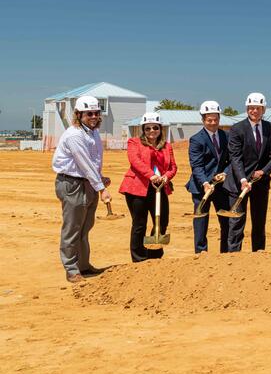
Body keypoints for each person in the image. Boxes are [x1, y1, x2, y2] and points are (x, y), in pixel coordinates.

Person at [51, 95, 111, 282]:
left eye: (96, 113)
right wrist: (101, 188)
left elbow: (93, 162)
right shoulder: (74, 134)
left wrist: (99, 179)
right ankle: (71, 269)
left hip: (87, 183)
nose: (93, 116)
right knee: (72, 228)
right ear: (79, 114)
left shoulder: (92, 132)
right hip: (72, 185)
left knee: (85, 228)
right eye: (89, 113)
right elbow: (84, 163)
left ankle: (83, 266)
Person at [119, 112, 178, 262]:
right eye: (148, 128)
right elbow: (135, 161)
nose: (152, 131)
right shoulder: (134, 142)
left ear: (160, 129)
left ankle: (154, 255)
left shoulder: (167, 146)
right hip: (137, 188)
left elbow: (173, 167)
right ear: (143, 129)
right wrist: (151, 175)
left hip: (160, 187)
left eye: (155, 128)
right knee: (139, 224)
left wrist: (166, 177)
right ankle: (139, 258)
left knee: (162, 222)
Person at [225, 92, 271, 252]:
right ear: (247, 109)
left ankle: (258, 254)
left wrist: (265, 171)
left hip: (260, 183)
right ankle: (234, 256)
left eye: (257, 108)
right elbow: (235, 157)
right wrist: (242, 179)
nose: (254, 111)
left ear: (263, 109)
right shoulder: (237, 129)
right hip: (238, 183)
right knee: (236, 222)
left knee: (259, 222)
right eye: (251, 108)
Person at [186, 100, 231, 253]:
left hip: (222, 186)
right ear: (203, 120)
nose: (212, 123)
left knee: (226, 220)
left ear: (219, 118)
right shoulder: (196, 139)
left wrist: (225, 172)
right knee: (201, 220)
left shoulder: (227, 136)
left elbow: (232, 160)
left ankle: (225, 252)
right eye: (209, 120)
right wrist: (205, 183)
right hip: (201, 187)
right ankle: (201, 253)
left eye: (215, 119)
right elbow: (197, 165)